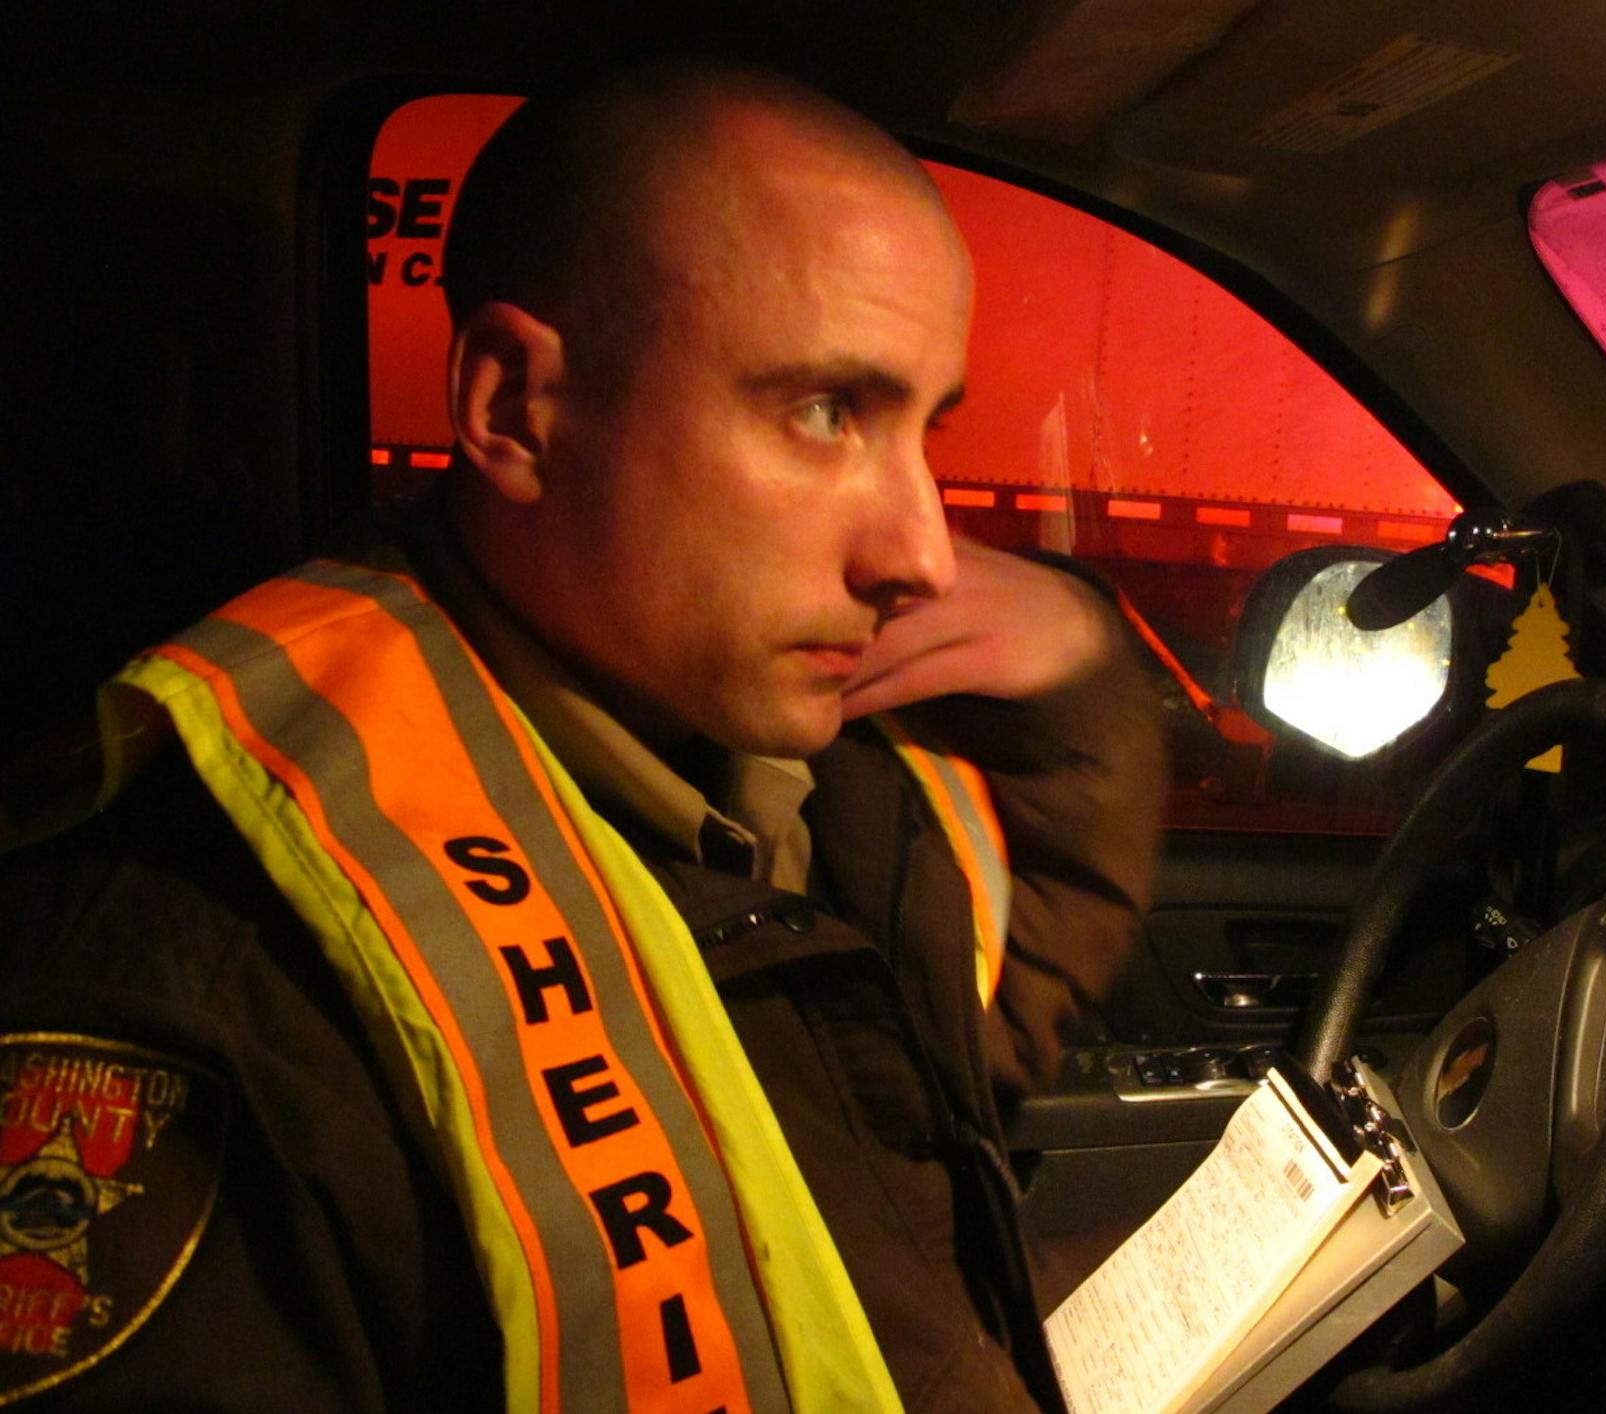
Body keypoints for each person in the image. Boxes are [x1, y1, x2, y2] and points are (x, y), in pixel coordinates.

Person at [0, 59, 1165, 1412]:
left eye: (926, 429)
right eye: (824, 414)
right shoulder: (205, 969)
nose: (925, 554)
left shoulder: (786, 777)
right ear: (516, 410)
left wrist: (1079, 666)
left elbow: (962, 1057)